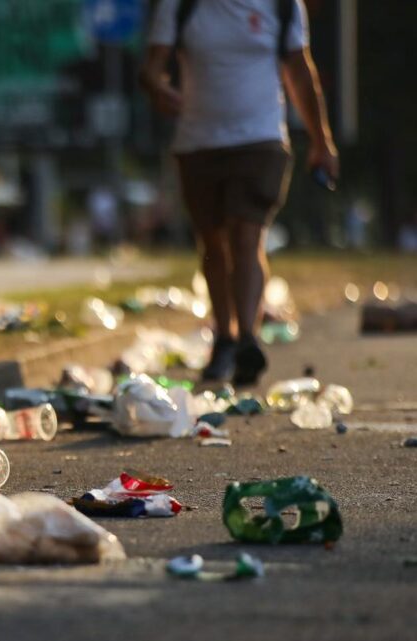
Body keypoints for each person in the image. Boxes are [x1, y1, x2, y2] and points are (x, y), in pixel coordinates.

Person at [143, 0, 338, 386]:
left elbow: (299, 72)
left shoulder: (282, 6)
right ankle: (225, 338)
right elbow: (151, 68)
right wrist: (158, 88)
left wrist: (321, 141)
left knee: (246, 234)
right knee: (213, 245)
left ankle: (247, 336)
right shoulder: (179, 6)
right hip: (198, 144)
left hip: (260, 139)